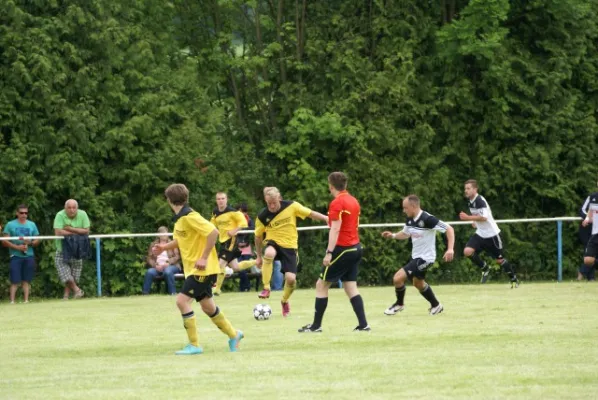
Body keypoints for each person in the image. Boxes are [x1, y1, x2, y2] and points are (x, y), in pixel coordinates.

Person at [152, 183, 243, 355]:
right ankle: (234, 335)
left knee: (181, 301)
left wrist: (203, 257)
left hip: (203, 269)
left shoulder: (189, 216)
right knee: (208, 307)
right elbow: (181, 240)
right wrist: (164, 248)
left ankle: (194, 345)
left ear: (169, 200)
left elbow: (213, 232)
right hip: (195, 270)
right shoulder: (180, 219)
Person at [298, 172, 369, 333]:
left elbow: (335, 228)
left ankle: (316, 326)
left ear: (331, 186)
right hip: (356, 247)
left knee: (321, 284)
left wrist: (329, 252)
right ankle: (363, 325)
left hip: (343, 249)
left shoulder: (337, 203)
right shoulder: (353, 200)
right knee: (350, 286)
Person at [255, 186, 328, 317]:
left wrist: (326, 218)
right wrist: (258, 256)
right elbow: (258, 236)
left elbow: (310, 213)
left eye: (274, 203)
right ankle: (266, 288)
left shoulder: (292, 206)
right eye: (269, 203)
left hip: (290, 246)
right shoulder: (262, 216)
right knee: (269, 253)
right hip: (273, 242)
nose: (271, 206)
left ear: (279, 198)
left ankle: (284, 300)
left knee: (291, 279)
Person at [381, 195, 454, 316]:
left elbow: (449, 229)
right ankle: (436, 306)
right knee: (418, 283)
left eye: (405, 208)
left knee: (397, 278)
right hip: (416, 257)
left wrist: (450, 249)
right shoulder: (410, 220)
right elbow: (405, 234)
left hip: (426, 258)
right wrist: (393, 236)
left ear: (413, 206)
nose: (404, 211)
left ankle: (399, 304)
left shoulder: (427, 219)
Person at [459, 179, 519, 287]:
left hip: (492, 235)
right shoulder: (470, 201)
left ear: (475, 189)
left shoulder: (480, 200)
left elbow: (484, 217)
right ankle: (485, 268)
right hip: (481, 234)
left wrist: (468, 218)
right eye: (465, 189)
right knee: (467, 251)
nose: (466, 191)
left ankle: (514, 279)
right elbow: (478, 216)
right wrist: (474, 221)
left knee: (500, 260)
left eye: (468, 188)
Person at [210, 193, 256, 295]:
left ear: (226, 200)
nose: (221, 200)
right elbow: (212, 225)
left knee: (220, 264)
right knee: (235, 267)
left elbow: (243, 222)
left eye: (223, 198)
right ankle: (255, 261)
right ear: (216, 200)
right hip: (222, 241)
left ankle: (217, 289)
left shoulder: (233, 212)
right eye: (218, 199)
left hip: (231, 240)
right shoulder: (215, 212)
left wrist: (234, 230)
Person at [2, 204, 40, 304]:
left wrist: (30, 243)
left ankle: (26, 301)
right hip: (15, 256)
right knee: (14, 280)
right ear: (17, 213)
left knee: (26, 280)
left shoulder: (32, 224)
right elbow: (4, 241)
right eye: (21, 213)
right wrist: (17, 247)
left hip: (29, 255)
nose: (24, 215)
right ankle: (12, 301)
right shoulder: (10, 224)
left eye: (26, 213)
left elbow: (37, 239)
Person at [54, 199, 90, 300]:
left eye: (74, 207)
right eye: (69, 208)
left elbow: (86, 231)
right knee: (64, 273)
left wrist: (70, 229)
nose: (71, 210)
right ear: (65, 208)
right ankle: (78, 290)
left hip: (78, 249)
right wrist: (78, 232)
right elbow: (58, 232)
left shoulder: (83, 214)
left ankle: (66, 297)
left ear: (77, 208)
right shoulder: (60, 215)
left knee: (73, 276)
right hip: (62, 249)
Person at [142, 226, 182, 295]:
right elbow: (149, 258)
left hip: (172, 266)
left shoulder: (172, 243)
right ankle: (145, 293)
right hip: (158, 267)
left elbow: (177, 256)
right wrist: (155, 265)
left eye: (166, 233)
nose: (165, 235)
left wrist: (168, 262)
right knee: (149, 272)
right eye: (163, 233)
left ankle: (173, 293)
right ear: (158, 235)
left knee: (168, 271)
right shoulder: (153, 244)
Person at [579, 190, 597, 280]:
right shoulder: (592, 196)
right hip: (591, 231)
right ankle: (589, 276)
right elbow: (583, 210)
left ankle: (583, 274)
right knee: (588, 257)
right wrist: (588, 218)